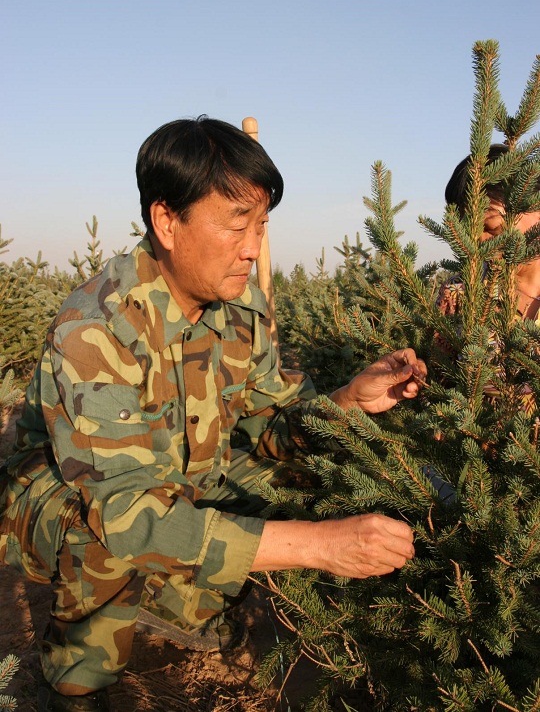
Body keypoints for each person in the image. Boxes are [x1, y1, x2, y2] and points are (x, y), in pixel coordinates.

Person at [0, 117, 424, 712]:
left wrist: (348, 401)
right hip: (67, 498)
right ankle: (75, 678)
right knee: (100, 538)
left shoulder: (240, 304)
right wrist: (317, 546)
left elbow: (271, 424)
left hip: (186, 471)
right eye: (235, 224)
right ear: (166, 221)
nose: (252, 248)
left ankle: (182, 602)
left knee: (302, 477)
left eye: (261, 226)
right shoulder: (98, 328)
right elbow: (123, 510)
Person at [437, 142, 540, 413]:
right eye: (470, 232)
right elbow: (437, 383)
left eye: (491, 228)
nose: (481, 243)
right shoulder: (459, 292)